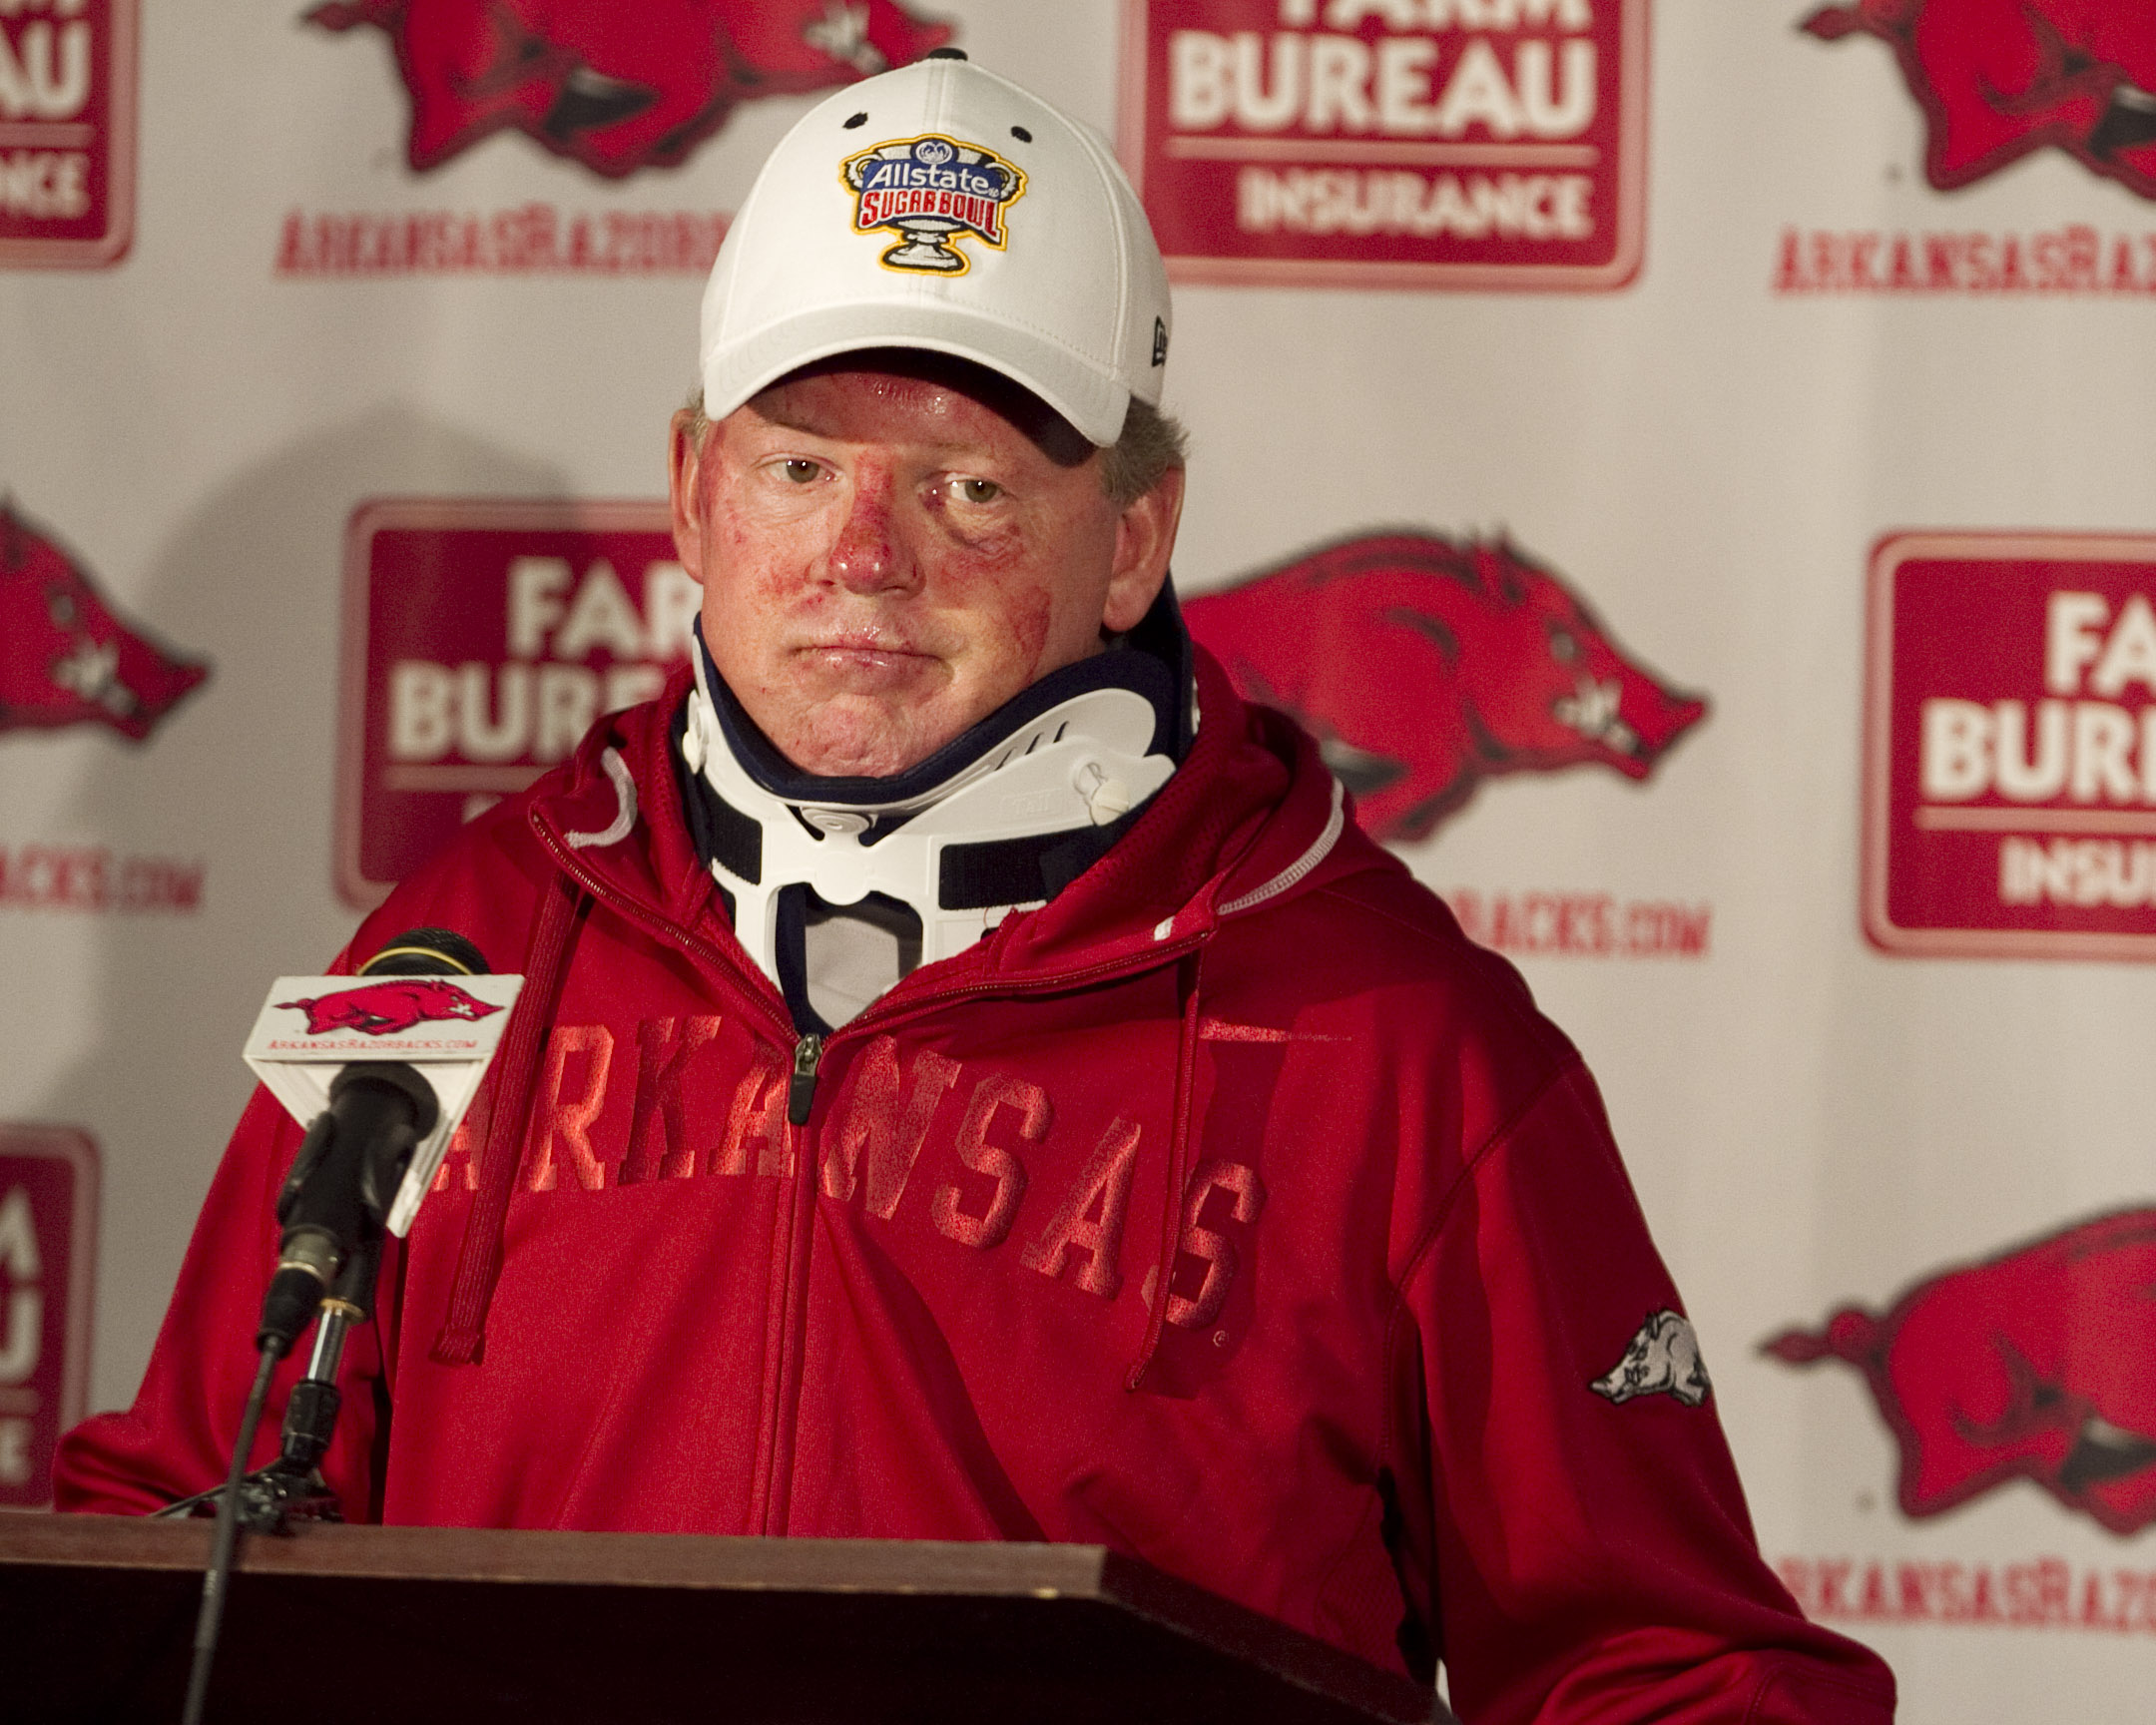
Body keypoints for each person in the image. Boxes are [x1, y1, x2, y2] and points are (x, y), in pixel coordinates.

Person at [58, 52, 1895, 1725]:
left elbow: (1673, 1676)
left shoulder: (1388, 1037)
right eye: (798, 467)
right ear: (695, 496)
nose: (861, 558)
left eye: (966, 491)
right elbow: (179, 1534)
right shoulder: (472, 936)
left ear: (1136, 544)